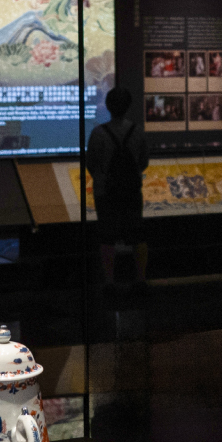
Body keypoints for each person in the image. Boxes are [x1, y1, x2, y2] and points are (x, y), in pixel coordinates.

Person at [84, 83, 149, 288]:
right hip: (131, 191)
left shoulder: (98, 133)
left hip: (105, 191)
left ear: (108, 106)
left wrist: (103, 177)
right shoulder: (137, 131)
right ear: (128, 106)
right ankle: (140, 279)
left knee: (107, 237)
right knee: (137, 235)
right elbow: (143, 162)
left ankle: (109, 281)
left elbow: (91, 163)